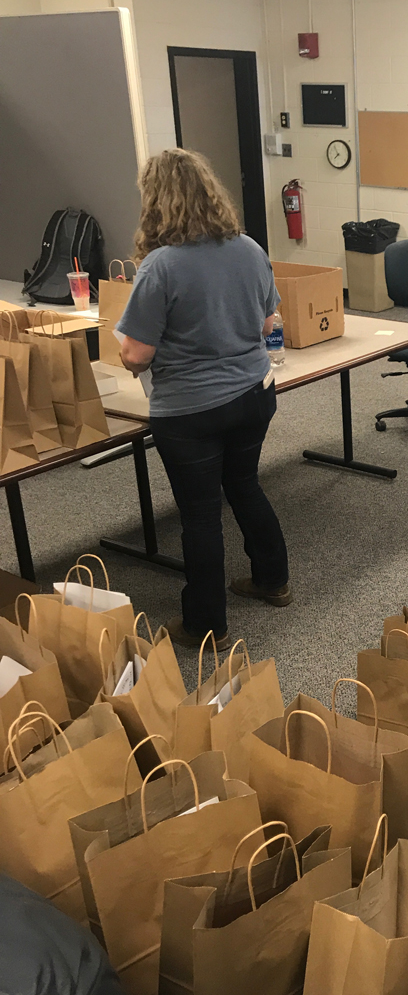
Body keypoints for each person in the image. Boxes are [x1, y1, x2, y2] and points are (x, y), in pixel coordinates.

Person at [116, 148, 290, 650]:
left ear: (156, 201)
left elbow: (136, 355)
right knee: (244, 486)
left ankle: (205, 624)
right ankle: (272, 580)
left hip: (192, 411)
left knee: (199, 514)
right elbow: (266, 324)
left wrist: (122, 343)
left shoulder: (160, 267)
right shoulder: (250, 248)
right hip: (253, 395)